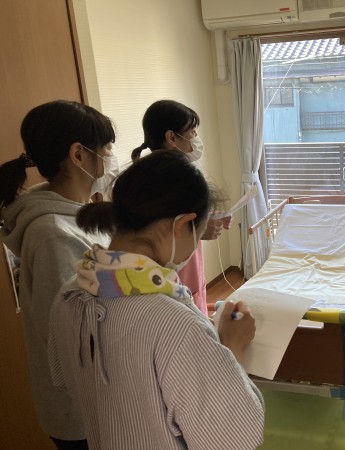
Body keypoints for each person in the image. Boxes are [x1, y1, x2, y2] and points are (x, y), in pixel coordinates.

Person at [48, 150, 265, 450]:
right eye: (197, 234)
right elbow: (234, 438)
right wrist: (232, 346)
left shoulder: (68, 296)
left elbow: (62, 379)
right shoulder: (175, 324)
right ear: (182, 224)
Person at [0, 100, 118, 449]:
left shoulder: (81, 212)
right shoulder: (53, 233)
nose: (111, 156)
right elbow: (73, 340)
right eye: (106, 147)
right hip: (83, 410)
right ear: (79, 155)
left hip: (100, 395)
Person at [131, 100, 231, 315]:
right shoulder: (161, 178)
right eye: (192, 132)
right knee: (184, 315)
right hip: (172, 271)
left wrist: (208, 219)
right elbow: (160, 229)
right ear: (172, 137)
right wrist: (201, 229)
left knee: (193, 304)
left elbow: (181, 215)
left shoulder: (170, 172)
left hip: (186, 265)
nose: (196, 138)